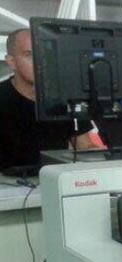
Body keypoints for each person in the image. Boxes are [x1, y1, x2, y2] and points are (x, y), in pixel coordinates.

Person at [0, 28, 96, 171]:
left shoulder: (64, 97)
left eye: (44, 54)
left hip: (54, 179)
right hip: (7, 182)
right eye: (29, 55)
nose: (40, 62)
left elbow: (84, 146)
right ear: (11, 62)